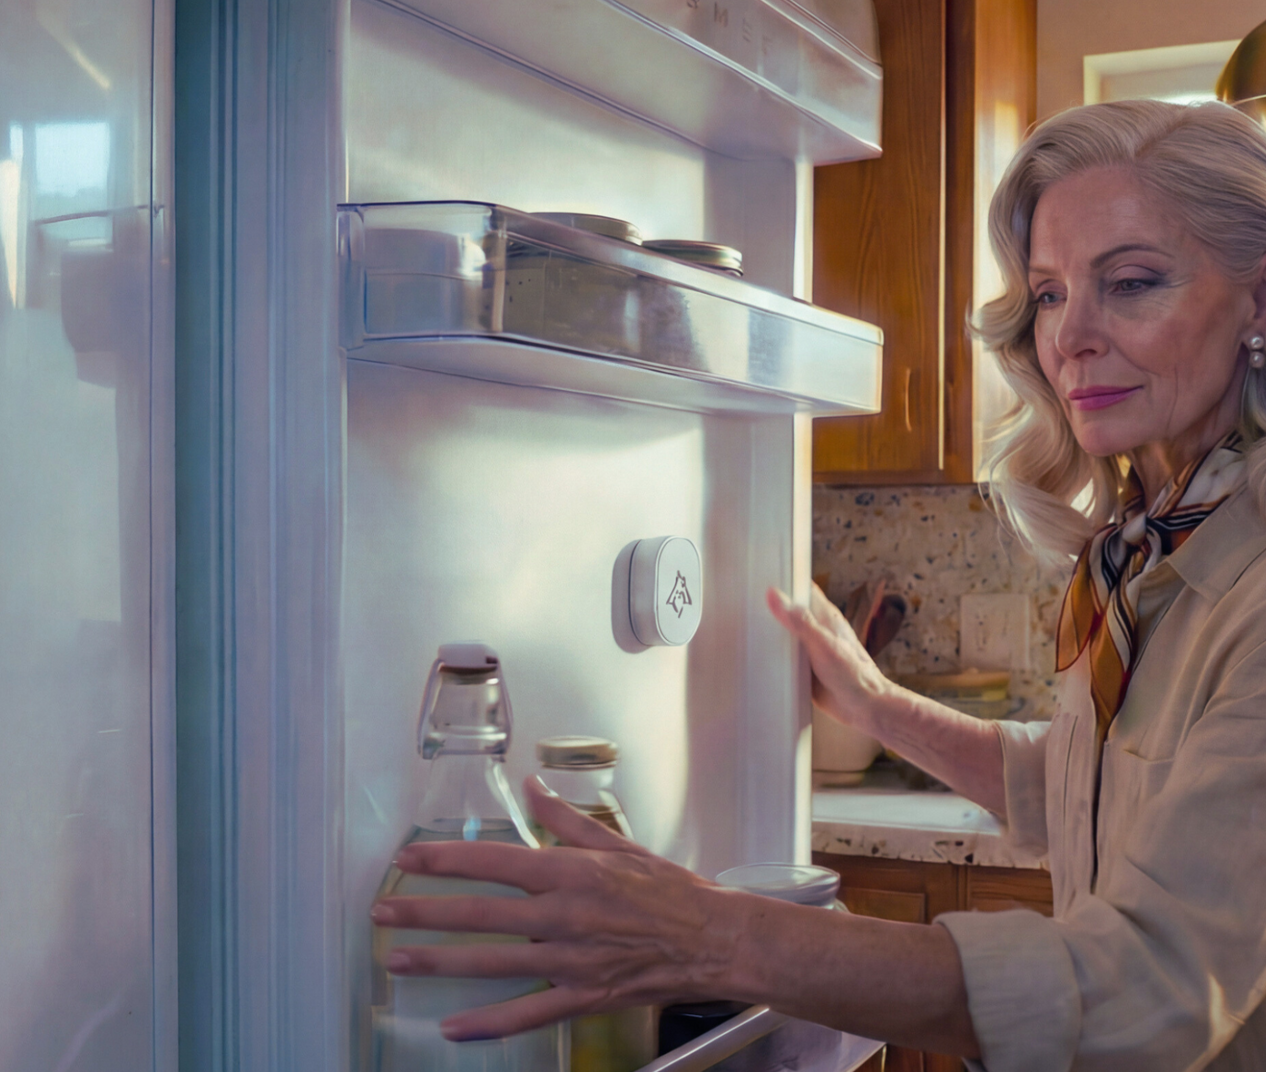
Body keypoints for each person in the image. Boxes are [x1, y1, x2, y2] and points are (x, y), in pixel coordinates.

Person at [370, 98, 1266, 1072]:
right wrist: (878, 706)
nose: (1071, 337)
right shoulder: (1156, 548)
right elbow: (1083, 789)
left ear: (1258, 300)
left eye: (1130, 282)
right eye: (1049, 294)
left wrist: (712, 933)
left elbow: (1145, 993)